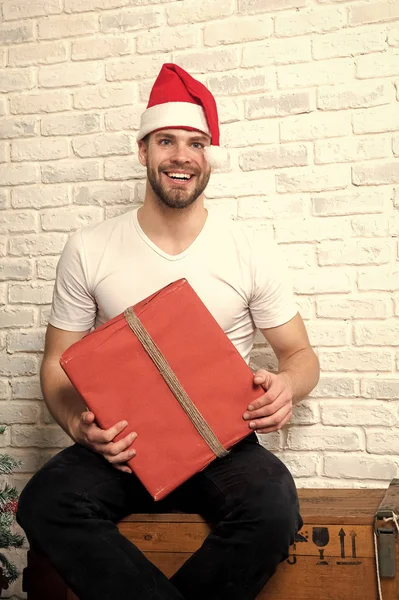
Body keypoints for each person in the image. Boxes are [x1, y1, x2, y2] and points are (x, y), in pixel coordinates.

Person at [17, 64, 320, 600]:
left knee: (273, 508)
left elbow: (298, 353)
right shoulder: (89, 247)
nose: (181, 155)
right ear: (143, 151)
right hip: (124, 444)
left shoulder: (249, 248)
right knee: (44, 501)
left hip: (220, 441)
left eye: (195, 143)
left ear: (209, 157)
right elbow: (55, 361)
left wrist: (287, 386)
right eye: (166, 141)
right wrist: (76, 426)